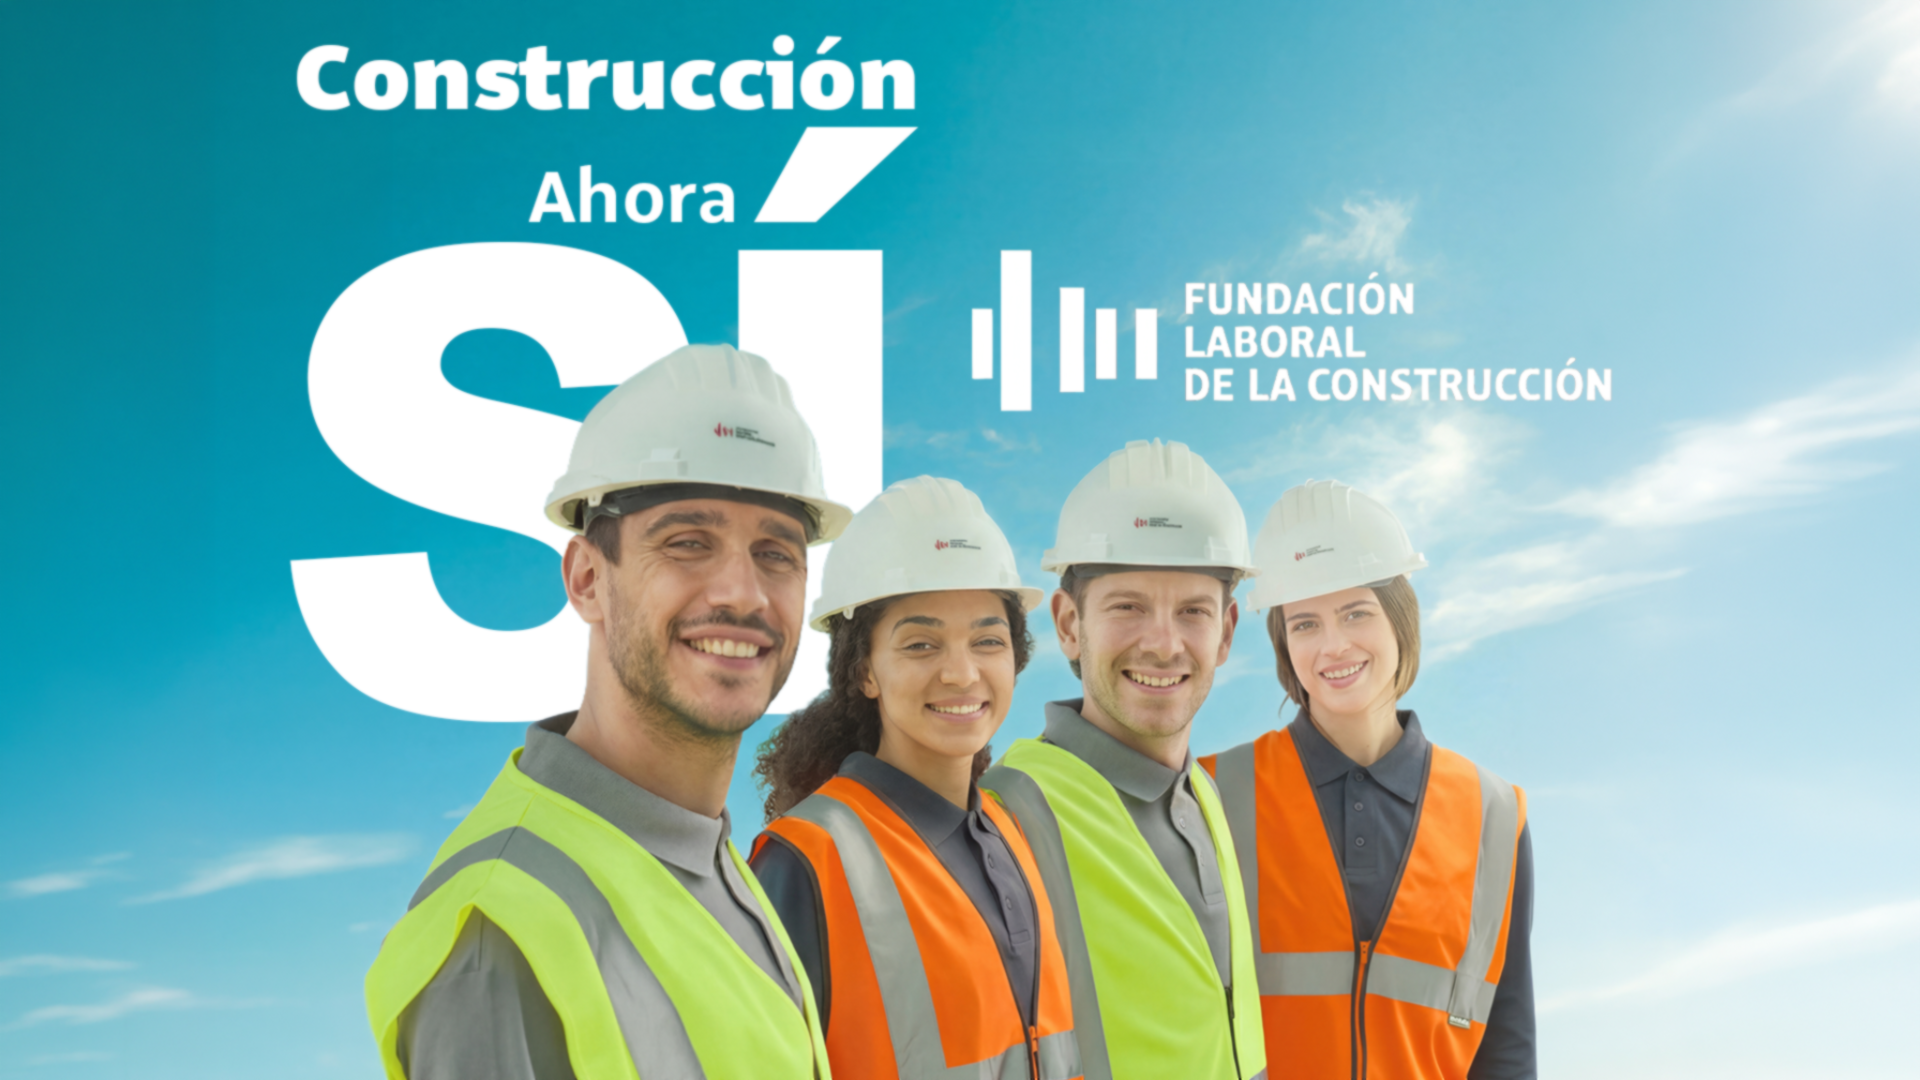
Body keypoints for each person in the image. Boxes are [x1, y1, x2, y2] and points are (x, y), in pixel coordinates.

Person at [363, 344, 846, 1080]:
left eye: (776, 553)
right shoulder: (503, 927)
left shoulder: (711, 864)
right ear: (588, 578)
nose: (743, 594)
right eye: (689, 543)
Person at [1199, 479, 1535, 1080]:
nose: (1334, 646)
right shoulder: (1210, 794)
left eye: (1356, 613)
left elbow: (1505, 1043)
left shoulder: (1494, 815)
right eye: (1304, 624)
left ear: (1400, 620)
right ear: (1282, 642)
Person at [748, 475, 1079, 1080]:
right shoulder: (805, 861)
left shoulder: (1009, 831)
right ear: (865, 671)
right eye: (922, 645)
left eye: (987, 640)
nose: (962, 673)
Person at [980, 438, 1267, 1080]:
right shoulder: (1005, 812)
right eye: (1128, 606)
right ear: (1068, 625)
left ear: (1225, 632)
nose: (1164, 644)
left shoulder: (1202, 797)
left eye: (1192, 611)